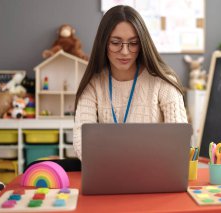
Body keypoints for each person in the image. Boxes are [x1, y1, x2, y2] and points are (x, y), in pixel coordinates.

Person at [73, 5, 188, 160]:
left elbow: (178, 144)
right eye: (115, 42)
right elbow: (82, 144)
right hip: (108, 176)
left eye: (133, 43)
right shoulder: (93, 84)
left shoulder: (164, 82)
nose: (125, 52)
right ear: (103, 43)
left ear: (142, 44)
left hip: (154, 176)